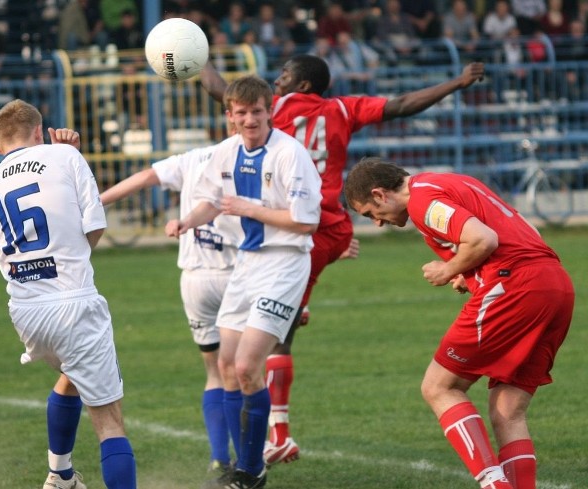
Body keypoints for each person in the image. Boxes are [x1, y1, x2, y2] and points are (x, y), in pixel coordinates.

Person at [199, 54, 485, 466]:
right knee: (281, 315)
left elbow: (221, 92)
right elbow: (402, 105)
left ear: (304, 83)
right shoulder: (342, 108)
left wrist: (197, 60)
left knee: (272, 334)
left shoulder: (273, 109)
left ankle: (277, 434)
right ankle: (298, 304)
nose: (277, 81)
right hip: (333, 229)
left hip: (300, 230)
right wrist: (455, 83)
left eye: (285, 75)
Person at [343, 159, 574, 489]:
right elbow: (525, 233)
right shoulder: (450, 181)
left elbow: (483, 239)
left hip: (515, 286)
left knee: (439, 386)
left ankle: (494, 484)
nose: (377, 223)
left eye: (369, 213)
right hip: (556, 286)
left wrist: (448, 269)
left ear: (380, 194)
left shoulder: (421, 201)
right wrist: (471, 272)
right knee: (508, 411)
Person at [166, 74, 322, 489]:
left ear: (269, 110)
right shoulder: (225, 152)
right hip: (247, 264)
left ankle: (251, 469)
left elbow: (306, 222)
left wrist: (250, 209)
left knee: (246, 366)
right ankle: (246, 463)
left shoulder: (290, 153)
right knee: (226, 366)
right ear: (229, 116)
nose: (250, 119)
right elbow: (211, 202)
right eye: (241, 113)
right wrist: (185, 221)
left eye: (257, 111)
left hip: (285, 264)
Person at [0, 100, 137, 489]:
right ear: (39, 132)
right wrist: (71, 152)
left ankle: (61, 475)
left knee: (71, 373)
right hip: (71, 302)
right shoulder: (64, 155)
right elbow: (94, 227)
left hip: (25, 308)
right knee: (110, 421)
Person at [100, 134, 241, 476]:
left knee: (214, 370)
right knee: (243, 370)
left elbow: (144, 178)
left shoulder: (192, 158)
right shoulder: (257, 156)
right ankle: (248, 462)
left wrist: (97, 200)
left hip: (195, 278)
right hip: (240, 273)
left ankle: (220, 456)